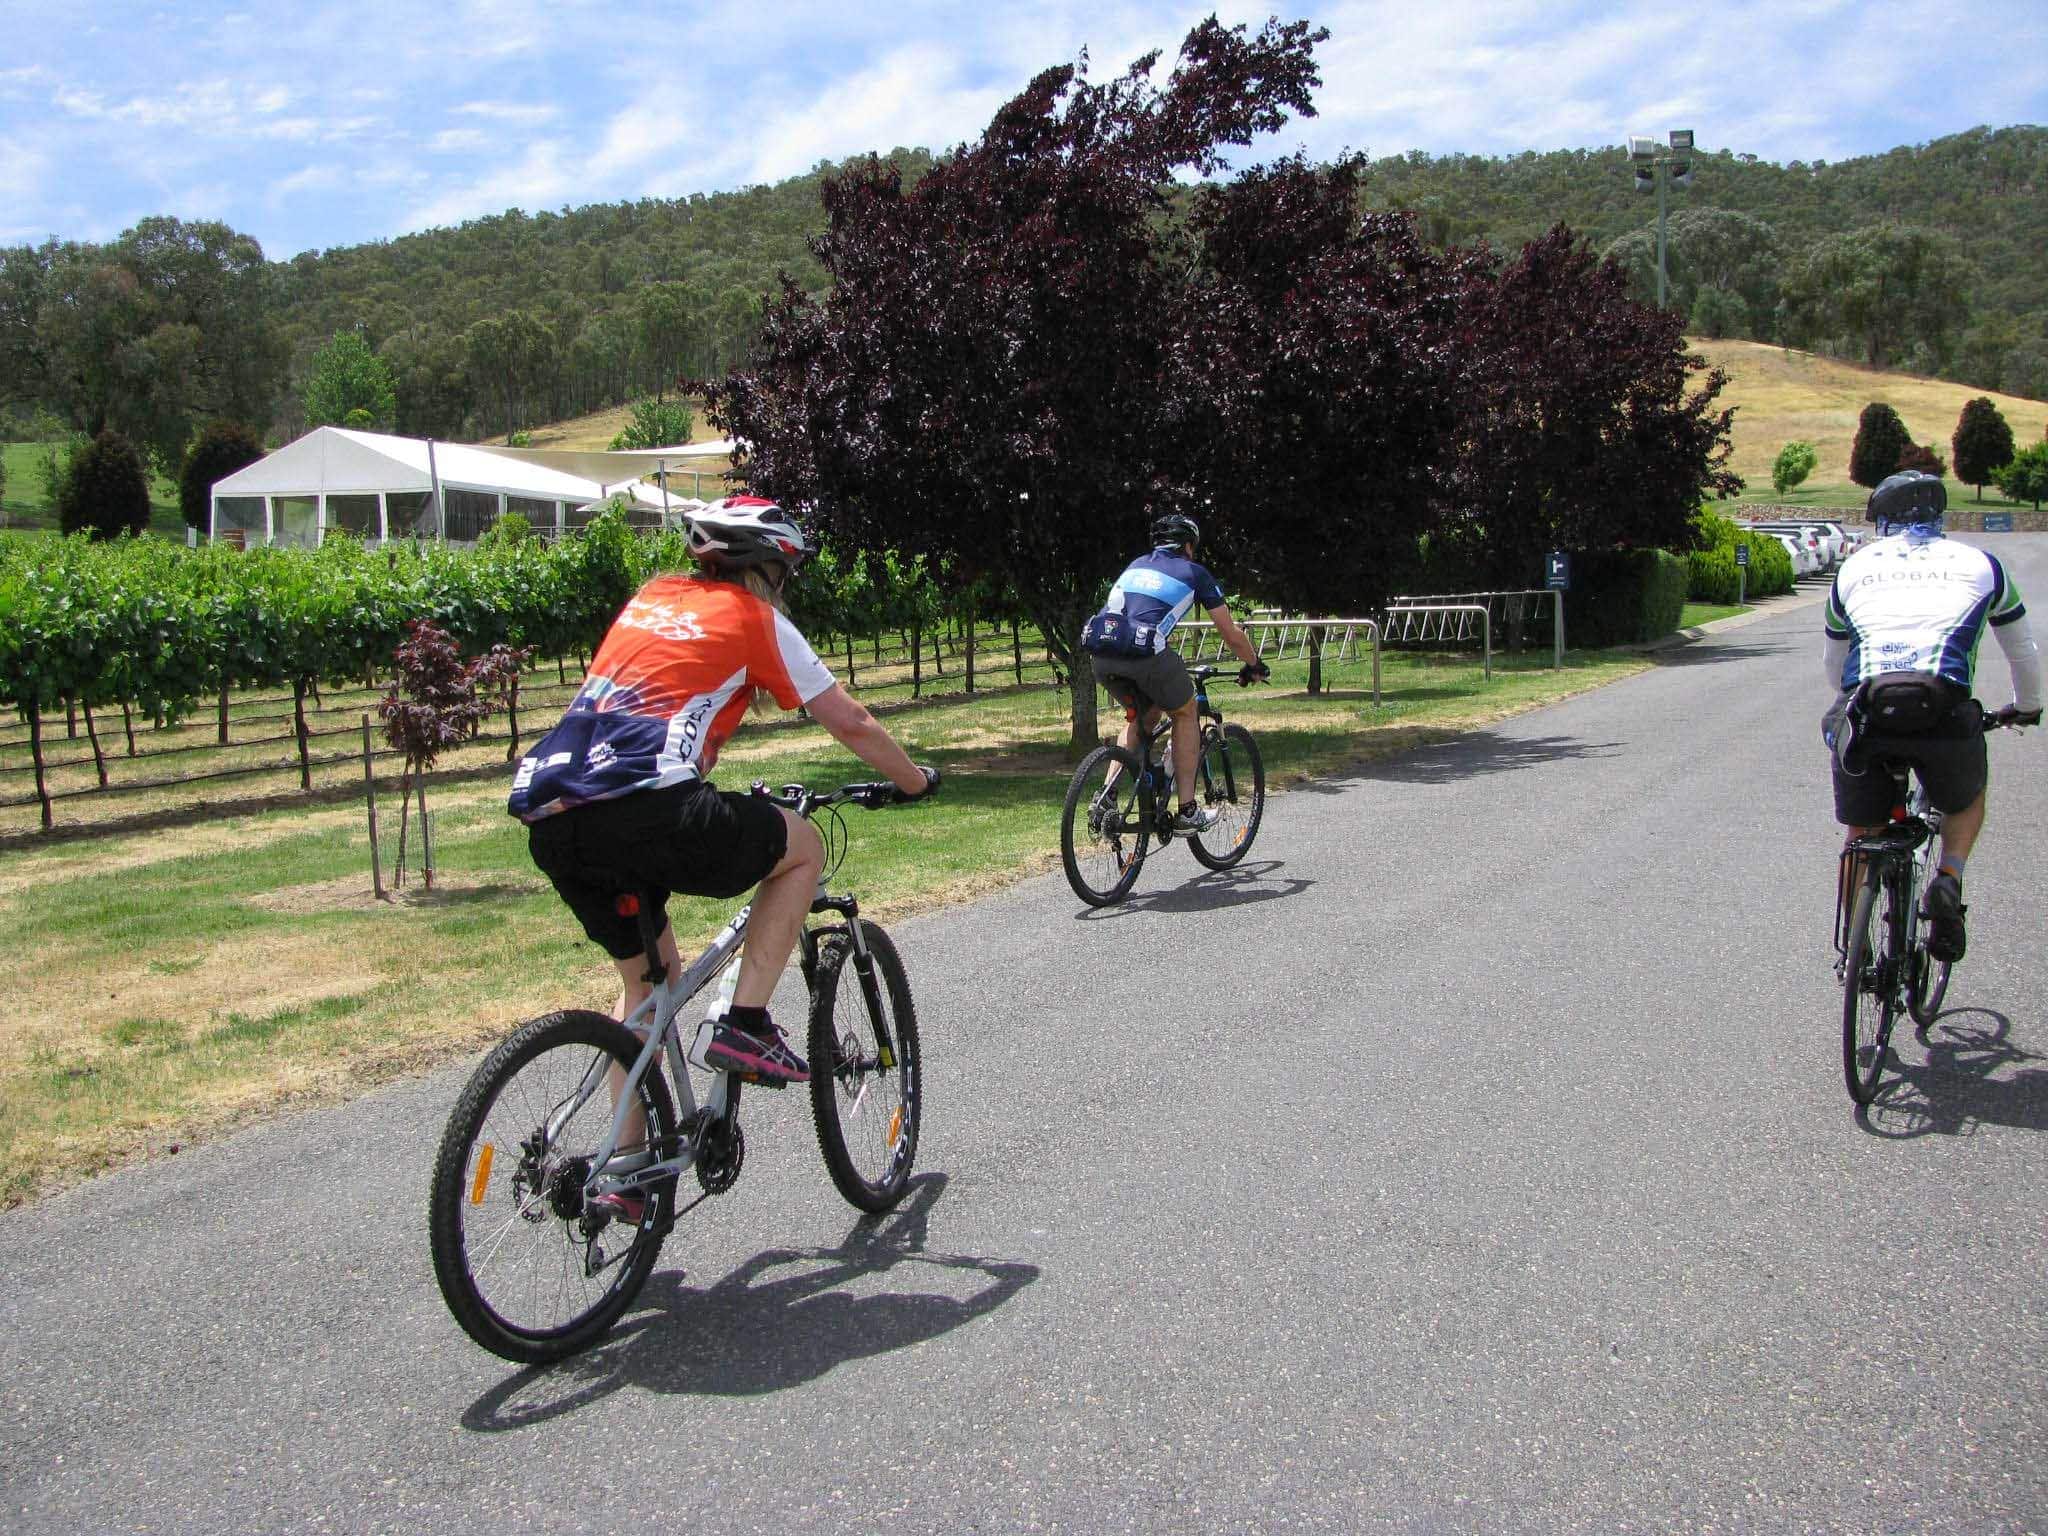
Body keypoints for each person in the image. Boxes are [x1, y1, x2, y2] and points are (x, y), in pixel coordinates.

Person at [509, 496, 937, 1098]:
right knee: (804, 845)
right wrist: (914, 780)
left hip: (553, 810)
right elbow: (853, 723)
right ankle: (747, 1025)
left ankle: (624, 1179)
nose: (785, 588)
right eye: (785, 574)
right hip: (649, 807)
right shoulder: (754, 617)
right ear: (767, 568)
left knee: (646, 991)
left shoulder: (648, 600)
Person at [1823, 470, 2041, 961]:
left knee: (1862, 831)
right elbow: (2023, 652)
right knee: (1965, 800)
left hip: (1869, 707)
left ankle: (1853, 953)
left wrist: (1847, 701)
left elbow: (1834, 665)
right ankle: (1948, 877)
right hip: (1943, 708)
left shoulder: (1855, 567)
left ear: (1885, 519)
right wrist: (2026, 708)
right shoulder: (1983, 564)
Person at [1081, 512, 1267, 833]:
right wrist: (1255, 664)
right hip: (1143, 653)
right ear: (1189, 545)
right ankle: (1187, 811)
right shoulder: (1195, 573)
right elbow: (1230, 633)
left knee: (1143, 715)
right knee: (1186, 711)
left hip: (1101, 653)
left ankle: (1107, 798)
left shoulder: (1137, 564)